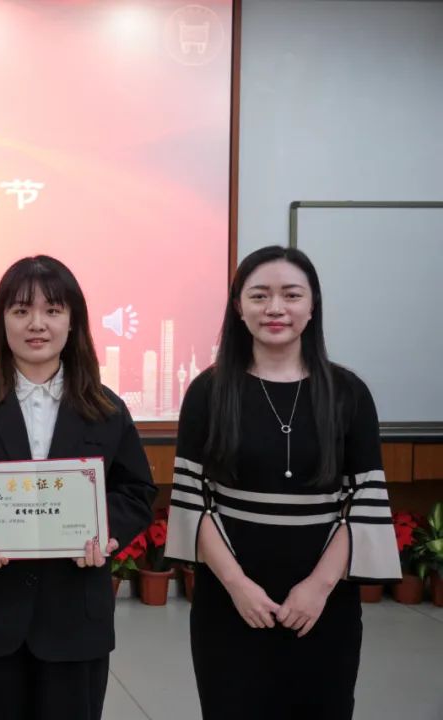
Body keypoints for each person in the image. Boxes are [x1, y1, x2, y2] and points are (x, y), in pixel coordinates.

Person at [0, 255, 155, 720]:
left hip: (74, 615)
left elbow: (136, 490)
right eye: (21, 310)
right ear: (1, 321)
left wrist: (106, 532)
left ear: (72, 321)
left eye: (52, 310)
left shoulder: (106, 407)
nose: (36, 324)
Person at [166, 245, 402, 719]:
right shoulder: (209, 391)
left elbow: (363, 501)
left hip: (324, 604)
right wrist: (237, 586)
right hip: (229, 602)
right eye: (259, 296)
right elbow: (193, 499)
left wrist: (318, 587)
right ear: (239, 307)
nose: (275, 308)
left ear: (313, 306)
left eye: (291, 295)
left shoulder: (349, 393)